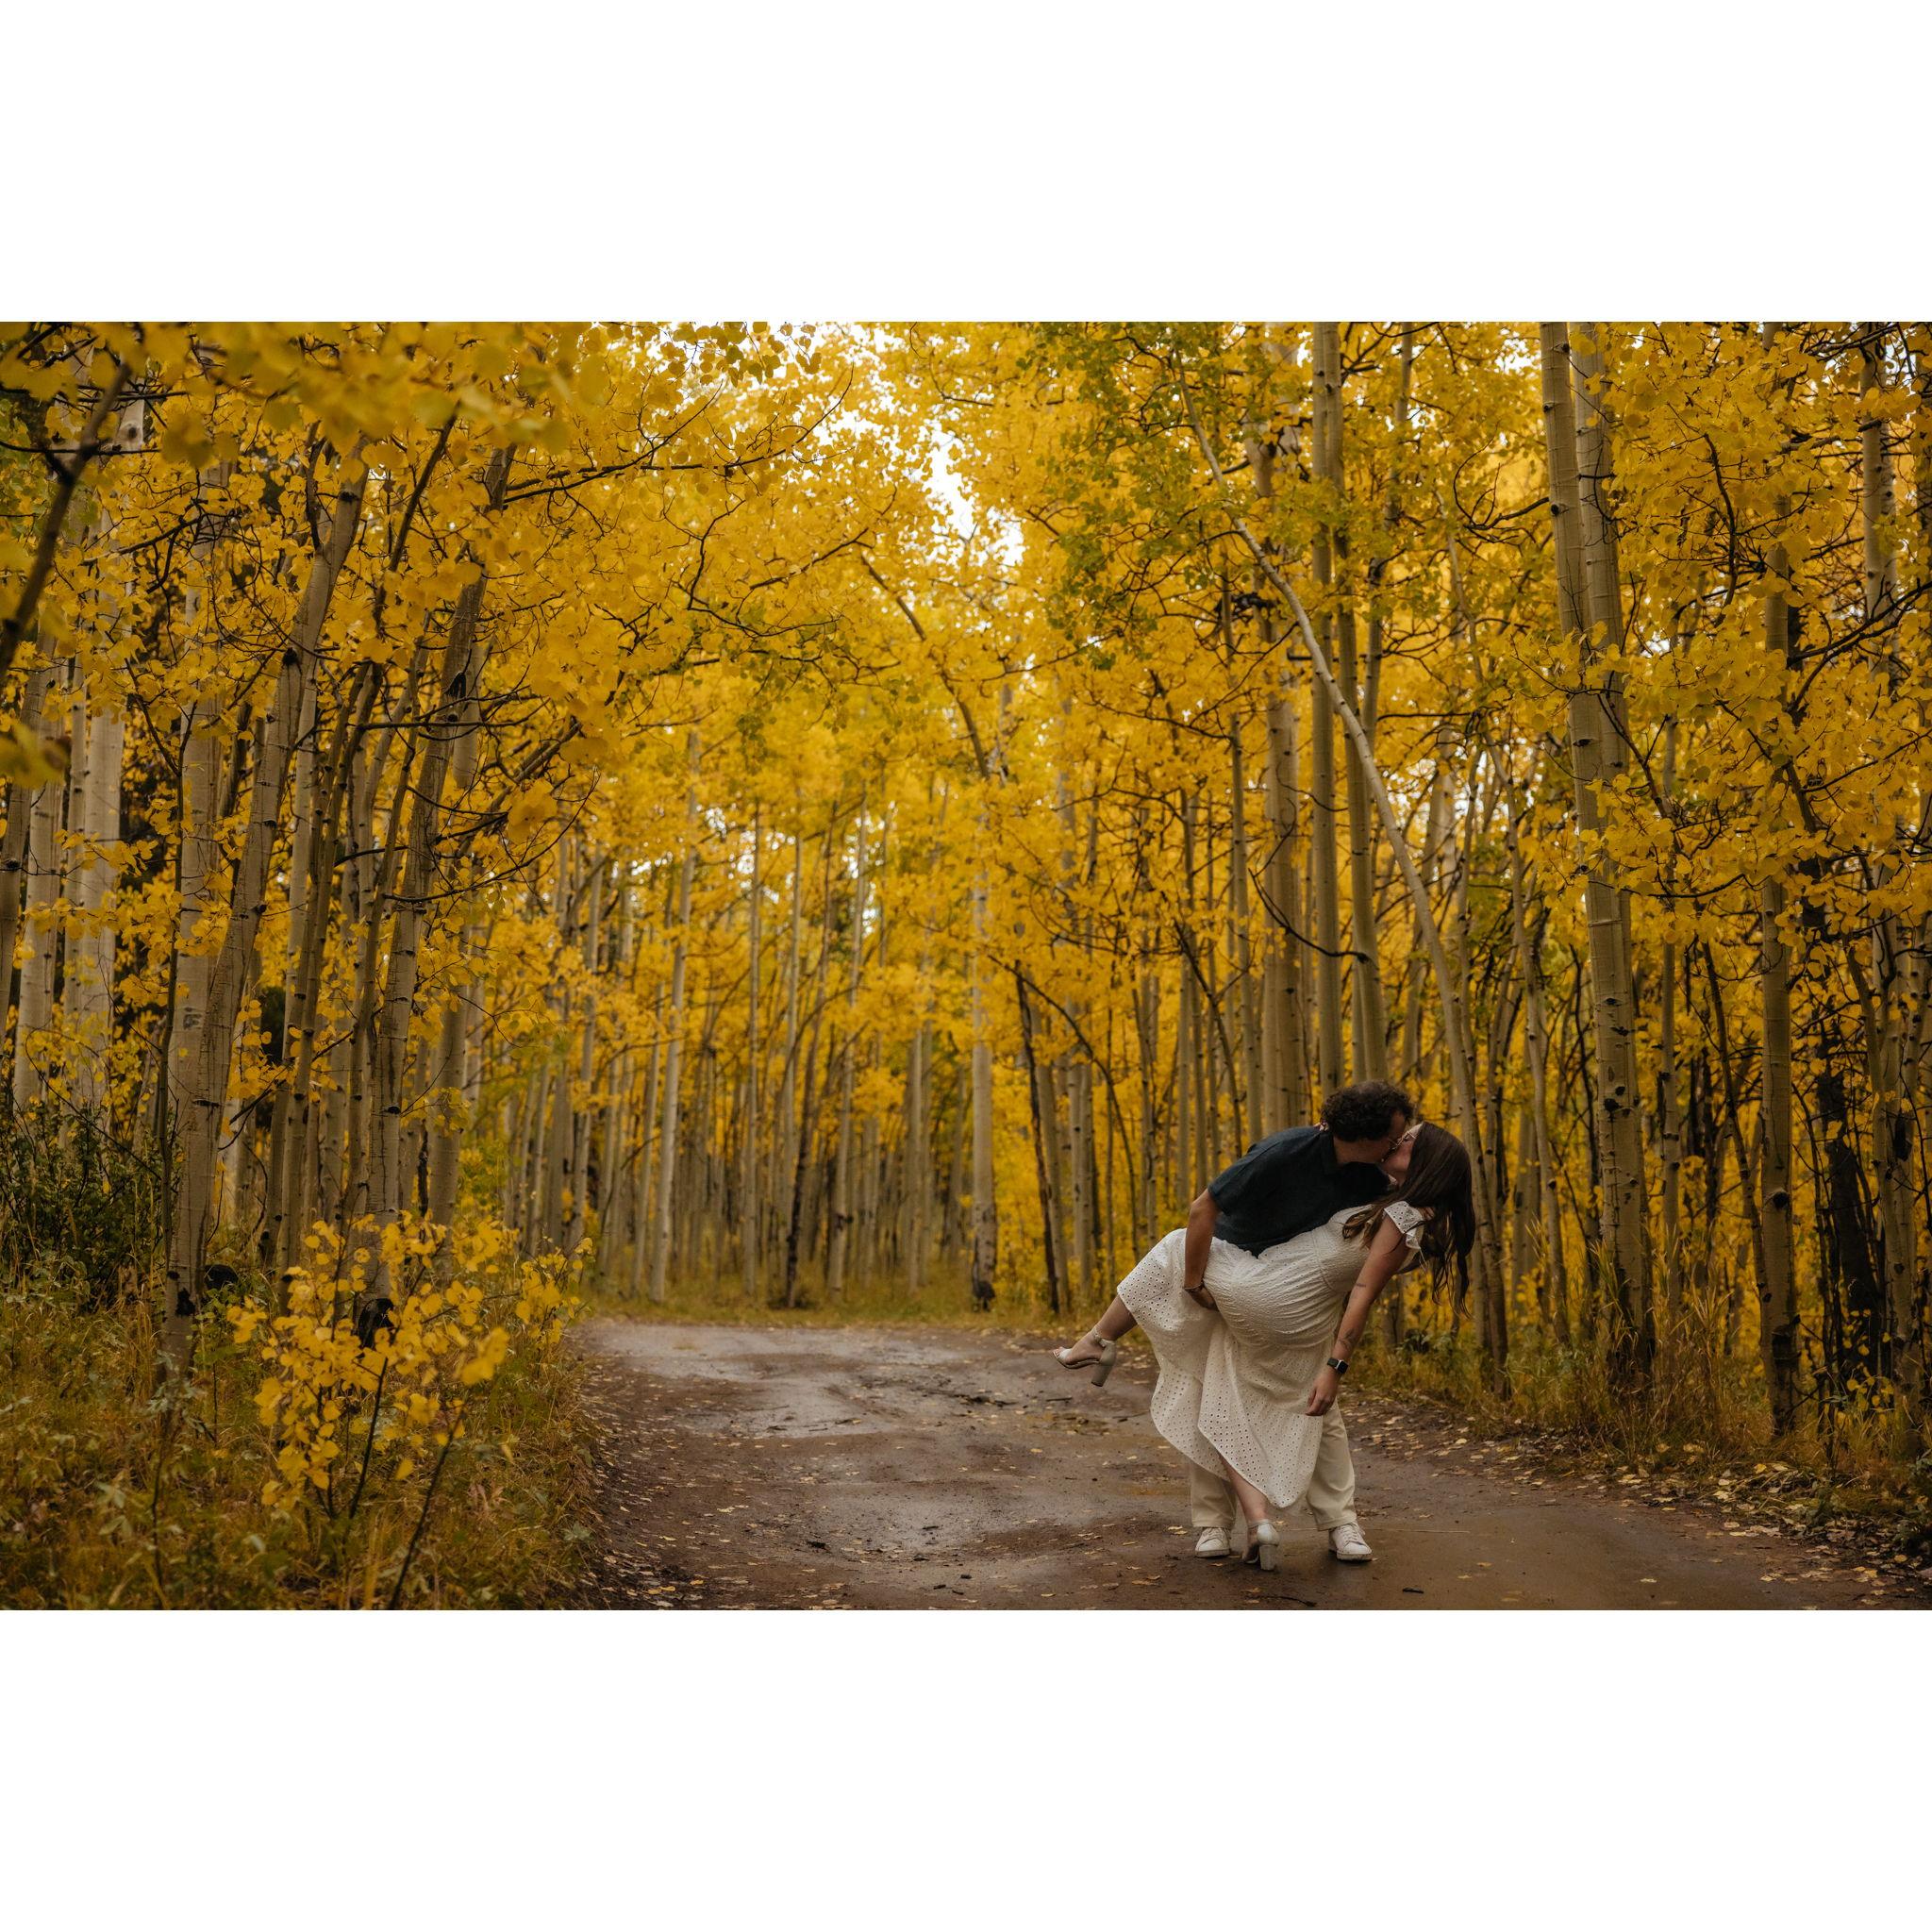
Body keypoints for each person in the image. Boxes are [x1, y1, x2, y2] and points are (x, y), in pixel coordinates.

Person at [1055, 1100, 1475, 1574]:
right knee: (1237, 1384)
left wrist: (1336, 1365)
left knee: (1185, 1276)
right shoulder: (1379, 1188)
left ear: (1424, 1162)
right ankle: (1263, 1523)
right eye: (1397, 1135)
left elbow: (1363, 1288)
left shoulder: (1398, 1209)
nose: (1399, 1140)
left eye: (1408, 1140)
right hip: (1276, 1289)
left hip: (1280, 1297)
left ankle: (1100, 1342)